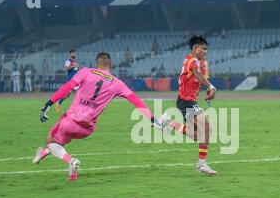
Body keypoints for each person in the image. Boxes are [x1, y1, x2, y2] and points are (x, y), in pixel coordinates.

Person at [32, 52, 167, 181]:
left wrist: (48, 104)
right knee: (61, 141)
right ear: (110, 65)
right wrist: (152, 119)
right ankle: (44, 156)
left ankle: (71, 161)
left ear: (96, 63)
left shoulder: (86, 71)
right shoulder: (117, 83)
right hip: (87, 128)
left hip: (71, 119)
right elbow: (135, 100)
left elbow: (68, 87)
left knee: (51, 142)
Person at [160, 35, 217, 175]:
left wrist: (207, 89)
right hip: (186, 101)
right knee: (208, 128)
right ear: (195, 48)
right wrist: (211, 87)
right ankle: (201, 164)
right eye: (203, 49)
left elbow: (196, 77)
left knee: (198, 135)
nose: (205, 52)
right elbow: (197, 74)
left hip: (187, 101)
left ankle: (168, 122)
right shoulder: (193, 61)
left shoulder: (192, 60)